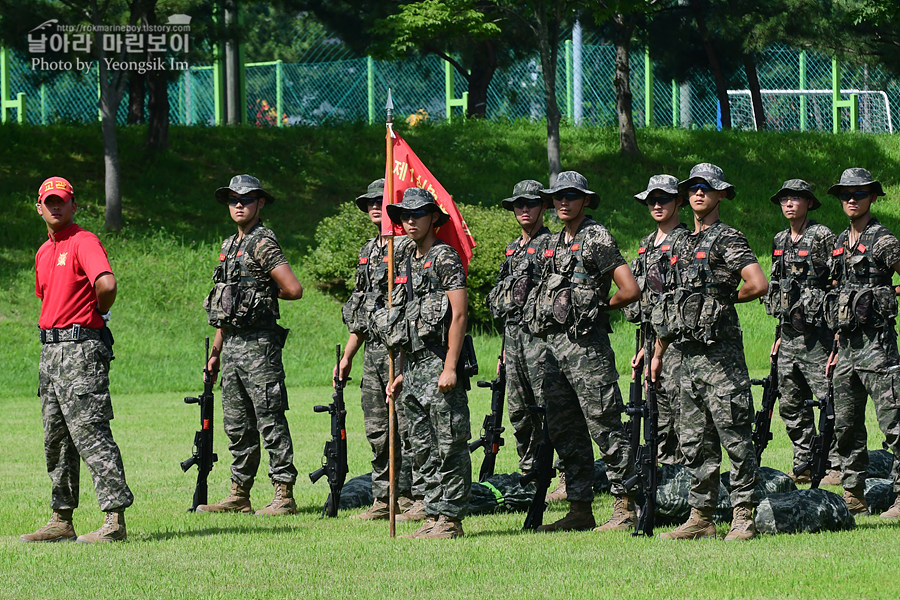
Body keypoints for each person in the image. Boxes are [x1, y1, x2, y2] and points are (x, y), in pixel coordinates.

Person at [651, 163, 768, 541]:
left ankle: (743, 515)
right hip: (684, 356)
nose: (698, 193)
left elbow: (758, 283)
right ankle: (700, 516)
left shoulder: (728, 238)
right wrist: (658, 350)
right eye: (693, 188)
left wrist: (722, 301)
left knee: (734, 434)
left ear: (719, 195)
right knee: (694, 439)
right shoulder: (681, 243)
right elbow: (673, 301)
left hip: (720, 359)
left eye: (706, 188)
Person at [523, 170, 640, 532]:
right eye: (557, 196)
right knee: (565, 430)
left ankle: (626, 506)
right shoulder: (555, 242)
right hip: (554, 350)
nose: (562, 201)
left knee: (604, 425)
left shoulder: (595, 236)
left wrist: (600, 307)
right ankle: (579, 508)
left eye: (570, 195)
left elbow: (630, 289)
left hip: (587, 349)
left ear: (585, 200)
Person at [22, 176, 133, 543]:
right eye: (48, 201)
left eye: (62, 201)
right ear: (39, 207)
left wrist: (98, 315)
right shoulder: (43, 252)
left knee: (91, 433)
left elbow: (107, 284)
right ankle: (61, 519)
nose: (55, 207)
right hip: (50, 352)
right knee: (56, 439)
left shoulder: (83, 241)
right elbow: (47, 298)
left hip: (80, 349)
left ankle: (114, 520)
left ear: (74, 206)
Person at [198, 174, 303, 516]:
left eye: (246, 198)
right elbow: (226, 308)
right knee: (237, 423)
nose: (238, 204)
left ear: (260, 203)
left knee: (269, 418)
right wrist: (216, 351)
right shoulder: (229, 246)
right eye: (232, 199)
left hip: (259, 345)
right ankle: (239, 493)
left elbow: (293, 289)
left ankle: (283, 494)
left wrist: (265, 298)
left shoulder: (263, 242)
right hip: (232, 347)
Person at [385, 188, 472, 539]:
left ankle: (450, 519)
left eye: (417, 214)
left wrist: (450, 366)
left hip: (439, 361)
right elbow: (406, 321)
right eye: (404, 215)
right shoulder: (405, 258)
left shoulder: (444, 257)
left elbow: (459, 313)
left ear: (433, 217)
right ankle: (432, 512)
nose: (409, 220)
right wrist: (402, 372)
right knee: (421, 445)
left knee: (449, 442)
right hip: (415, 365)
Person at [338, 178, 420, 520]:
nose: (374, 206)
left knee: (408, 425)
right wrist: (347, 356)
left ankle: (414, 495)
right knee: (377, 428)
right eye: (369, 202)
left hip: (400, 349)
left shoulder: (408, 247)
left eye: (381, 201)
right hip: (372, 351)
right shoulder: (368, 251)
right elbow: (362, 312)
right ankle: (384, 497)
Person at [825, 168, 900, 518]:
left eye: (858, 193)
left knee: (893, 424)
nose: (851, 199)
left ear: (872, 197)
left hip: (877, 347)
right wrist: (836, 345)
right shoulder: (840, 243)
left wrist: (887, 296)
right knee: (846, 425)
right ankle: (853, 494)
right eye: (845, 194)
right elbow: (838, 295)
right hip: (847, 349)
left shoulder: (881, 238)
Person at [763, 179, 837, 484]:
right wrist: (778, 337)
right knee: (790, 402)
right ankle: (804, 461)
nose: (789, 204)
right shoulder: (779, 239)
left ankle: (834, 462)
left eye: (796, 198)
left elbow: (838, 281)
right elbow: (778, 287)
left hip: (817, 336)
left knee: (828, 397)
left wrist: (835, 335)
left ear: (809, 202)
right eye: (785, 199)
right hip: (789, 336)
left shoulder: (822, 236)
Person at [486, 179, 551, 475]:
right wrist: (502, 351)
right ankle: (528, 470)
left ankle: (561, 474)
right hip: (513, 342)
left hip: (542, 342)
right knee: (518, 410)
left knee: (550, 407)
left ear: (543, 206)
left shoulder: (551, 245)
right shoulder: (512, 249)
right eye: (518, 205)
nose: (524, 209)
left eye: (531, 203)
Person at [625, 174, 689, 465]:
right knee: (656, 416)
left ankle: (682, 481)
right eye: (652, 200)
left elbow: (680, 304)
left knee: (681, 416)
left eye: (664, 199)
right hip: (653, 342)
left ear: (678, 201)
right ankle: (662, 477)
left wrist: (659, 351)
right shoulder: (646, 244)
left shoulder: (685, 243)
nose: (657, 205)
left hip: (678, 344)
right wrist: (647, 349)